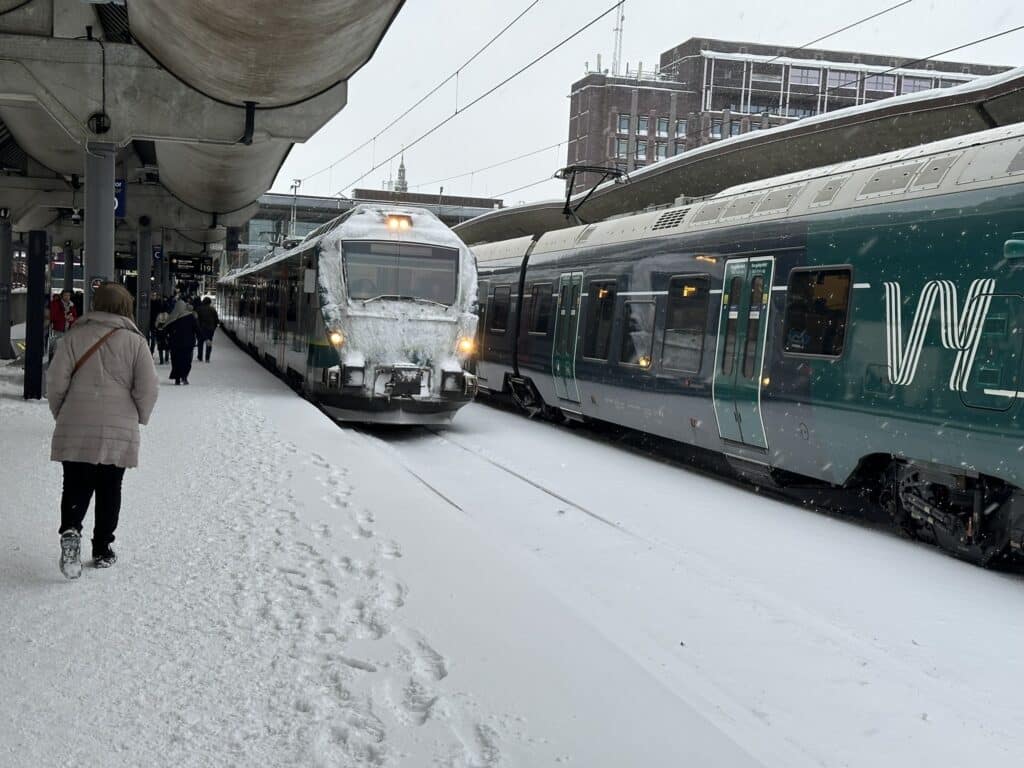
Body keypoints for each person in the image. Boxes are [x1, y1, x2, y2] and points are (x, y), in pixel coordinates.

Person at [46, 282, 159, 578]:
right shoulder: (136, 342)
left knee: (75, 484)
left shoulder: (74, 336)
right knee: (110, 488)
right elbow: (147, 389)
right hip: (118, 426)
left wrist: (64, 414)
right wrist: (139, 417)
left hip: (76, 421)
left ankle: (71, 531)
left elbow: (56, 383)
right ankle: (102, 549)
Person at [165, 298, 199, 385]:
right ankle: (184, 377)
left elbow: (166, 329)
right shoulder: (190, 317)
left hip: (175, 344)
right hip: (188, 344)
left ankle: (177, 378)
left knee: (176, 361)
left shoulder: (172, 317)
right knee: (187, 361)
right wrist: (204, 339)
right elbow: (197, 329)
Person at [48, 290, 79, 360]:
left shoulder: (71, 305)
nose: (67, 297)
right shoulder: (56, 304)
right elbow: (53, 316)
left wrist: (72, 319)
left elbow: (75, 316)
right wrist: (63, 317)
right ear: (62, 296)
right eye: (65, 295)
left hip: (68, 329)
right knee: (57, 346)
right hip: (58, 328)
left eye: (68, 295)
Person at [195, 297, 219, 363]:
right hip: (210, 329)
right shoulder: (213, 309)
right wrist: (214, 327)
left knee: (200, 343)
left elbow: (196, 319)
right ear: (209, 302)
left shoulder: (199, 309)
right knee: (209, 342)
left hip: (201, 329)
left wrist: (197, 328)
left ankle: (200, 357)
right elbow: (216, 320)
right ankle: (207, 358)